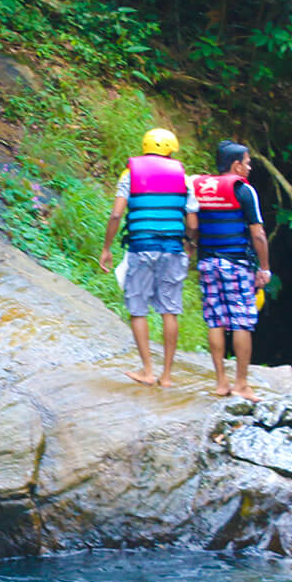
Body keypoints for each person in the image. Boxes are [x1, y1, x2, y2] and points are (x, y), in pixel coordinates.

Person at [98, 128, 197, 388]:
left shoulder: (129, 174)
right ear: (168, 149)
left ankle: (148, 371)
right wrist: (189, 243)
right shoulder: (184, 179)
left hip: (140, 247)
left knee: (138, 308)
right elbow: (193, 221)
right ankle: (166, 376)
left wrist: (107, 248)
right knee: (169, 310)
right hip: (173, 250)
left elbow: (117, 215)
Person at [189, 141, 271, 400]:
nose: (249, 168)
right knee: (241, 322)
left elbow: (192, 224)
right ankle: (242, 384)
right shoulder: (243, 190)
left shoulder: (199, 187)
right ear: (236, 165)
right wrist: (264, 268)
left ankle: (221, 382)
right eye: (247, 162)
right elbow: (257, 234)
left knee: (215, 321)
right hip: (235, 264)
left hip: (207, 263)